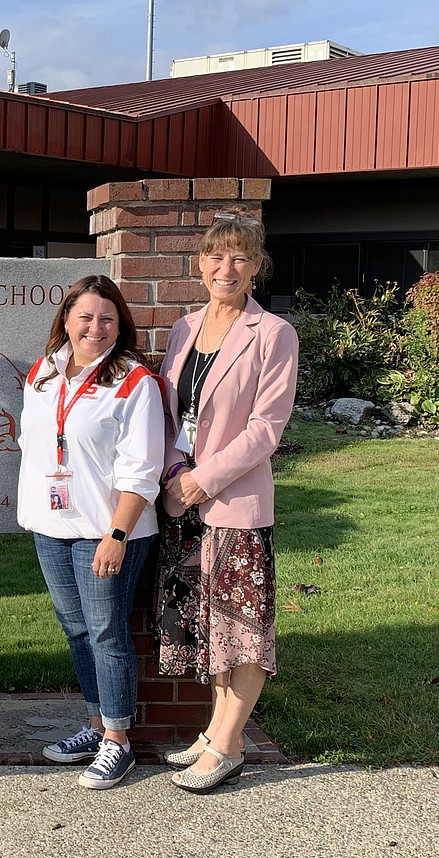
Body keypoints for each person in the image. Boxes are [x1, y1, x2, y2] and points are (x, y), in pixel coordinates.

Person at [155, 207, 298, 794]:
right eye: (217, 255)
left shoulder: (273, 334)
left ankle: (228, 742)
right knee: (208, 627)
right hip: (182, 501)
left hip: (232, 502)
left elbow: (266, 429)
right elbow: (168, 412)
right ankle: (216, 734)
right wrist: (171, 472)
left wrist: (199, 480)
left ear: (257, 266)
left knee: (241, 627)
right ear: (199, 265)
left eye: (241, 256)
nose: (227, 266)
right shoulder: (184, 329)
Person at [17, 275, 165, 791]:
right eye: (85, 316)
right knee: (77, 630)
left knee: (106, 632)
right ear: (65, 319)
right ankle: (97, 726)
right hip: (51, 527)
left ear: (119, 324)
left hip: (107, 531)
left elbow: (143, 469)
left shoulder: (133, 382)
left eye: (107, 318)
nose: (95, 328)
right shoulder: (42, 374)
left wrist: (117, 535)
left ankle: (119, 741)